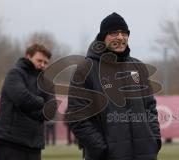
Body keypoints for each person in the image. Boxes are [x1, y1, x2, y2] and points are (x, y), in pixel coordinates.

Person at [67, 12, 161, 160]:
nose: (120, 37)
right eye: (114, 33)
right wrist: (100, 149)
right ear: (103, 37)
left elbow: (150, 108)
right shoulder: (85, 69)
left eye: (124, 33)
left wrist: (154, 140)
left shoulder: (138, 67)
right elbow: (76, 116)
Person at [0, 44, 55, 160]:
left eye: (46, 63)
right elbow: (23, 99)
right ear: (28, 56)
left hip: (34, 145)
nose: (42, 65)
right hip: (9, 142)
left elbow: (51, 111)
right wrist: (42, 102)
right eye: (39, 60)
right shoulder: (15, 74)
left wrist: (29, 108)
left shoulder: (48, 84)